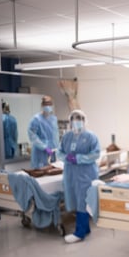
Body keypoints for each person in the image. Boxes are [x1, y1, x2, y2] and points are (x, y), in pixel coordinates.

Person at [57, 109, 100, 244]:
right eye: (74, 119)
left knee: (82, 201)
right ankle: (85, 228)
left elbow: (96, 154)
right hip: (70, 173)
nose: (77, 121)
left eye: (80, 118)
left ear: (84, 121)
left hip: (85, 173)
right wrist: (66, 158)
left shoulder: (91, 136)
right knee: (76, 200)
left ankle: (79, 233)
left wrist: (79, 158)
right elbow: (59, 152)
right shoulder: (67, 136)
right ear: (70, 121)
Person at [28, 95, 59, 168]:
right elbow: (32, 136)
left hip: (52, 151)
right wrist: (44, 147)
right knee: (40, 172)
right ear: (42, 105)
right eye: (46, 104)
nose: (48, 106)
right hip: (40, 152)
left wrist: (57, 148)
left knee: (52, 173)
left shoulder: (53, 119)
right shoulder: (36, 119)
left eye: (49, 104)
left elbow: (55, 135)